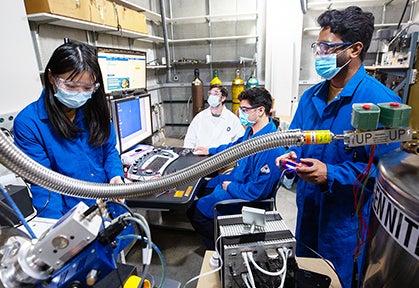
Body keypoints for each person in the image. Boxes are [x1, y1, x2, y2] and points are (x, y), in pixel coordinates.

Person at [275, 6, 401, 288]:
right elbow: (293, 141)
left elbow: (386, 175)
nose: (319, 55)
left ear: (355, 49)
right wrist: (289, 159)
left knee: (338, 281)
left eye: (326, 47)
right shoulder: (310, 98)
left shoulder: (380, 103)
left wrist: (331, 174)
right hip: (307, 214)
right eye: (317, 47)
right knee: (305, 276)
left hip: (346, 226)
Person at [13, 42, 125, 219]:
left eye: (88, 88)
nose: (80, 94)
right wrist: (53, 228)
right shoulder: (29, 123)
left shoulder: (95, 109)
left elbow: (109, 150)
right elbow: (43, 182)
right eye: (71, 86)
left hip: (109, 203)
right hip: (69, 214)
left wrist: (116, 177)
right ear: (51, 77)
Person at [187, 87, 286, 250]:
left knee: (195, 212)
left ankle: (221, 251)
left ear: (261, 110)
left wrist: (230, 186)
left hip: (245, 198)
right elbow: (235, 146)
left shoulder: (271, 148)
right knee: (200, 187)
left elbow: (256, 192)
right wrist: (210, 150)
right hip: (237, 178)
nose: (241, 113)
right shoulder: (251, 132)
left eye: (245, 109)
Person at [183, 84, 244, 148]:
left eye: (216, 94)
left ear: (223, 98)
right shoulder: (199, 117)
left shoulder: (232, 119)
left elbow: (240, 141)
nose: (212, 96)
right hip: (200, 156)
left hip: (223, 156)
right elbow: (189, 140)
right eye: (210, 94)